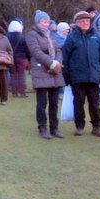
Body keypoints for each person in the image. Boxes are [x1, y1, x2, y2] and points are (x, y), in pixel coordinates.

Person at [62, 11, 100, 137]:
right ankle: (79, 126)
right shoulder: (71, 38)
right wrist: (66, 76)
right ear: (77, 23)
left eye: (87, 21)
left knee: (94, 103)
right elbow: (65, 58)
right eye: (82, 21)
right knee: (78, 102)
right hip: (77, 77)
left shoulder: (97, 37)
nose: (85, 23)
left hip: (93, 76)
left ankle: (97, 127)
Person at [25, 10, 65, 139]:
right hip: (41, 70)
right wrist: (51, 63)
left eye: (48, 21)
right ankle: (42, 127)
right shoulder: (31, 35)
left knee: (54, 102)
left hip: (55, 72)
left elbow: (58, 49)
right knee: (42, 102)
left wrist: (57, 62)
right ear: (38, 22)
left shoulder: (51, 35)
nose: (46, 24)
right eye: (44, 21)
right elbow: (35, 51)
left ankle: (55, 128)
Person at [7, 20, 29, 98]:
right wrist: (28, 58)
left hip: (11, 57)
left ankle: (14, 92)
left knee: (13, 74)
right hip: (21, 58)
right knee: (21, 75)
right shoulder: (22, 37)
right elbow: (26, 49)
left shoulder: (7, 37)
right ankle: (22, 92)